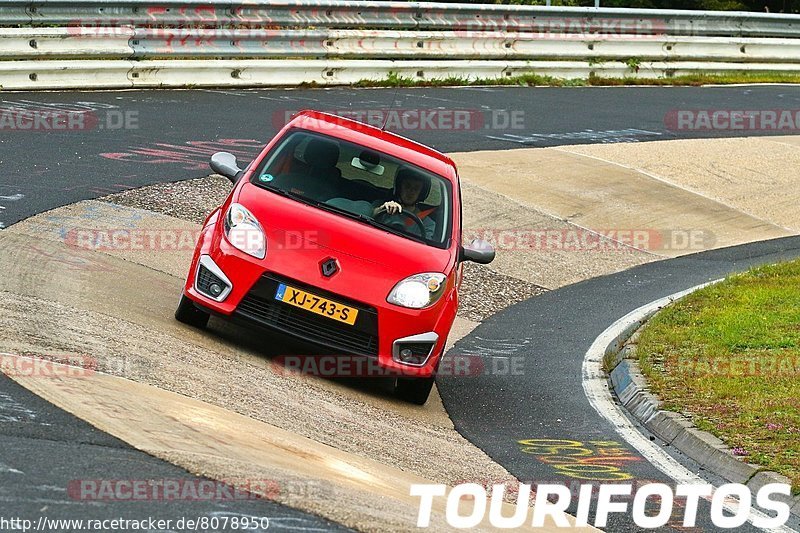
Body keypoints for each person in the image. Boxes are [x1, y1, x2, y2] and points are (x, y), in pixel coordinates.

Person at [373, 167, 436, 240]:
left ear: (421, 193)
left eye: (416, 188)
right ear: (400, 187)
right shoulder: (381, 205)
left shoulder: (427, 223)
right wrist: (381, 209)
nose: (411, 191)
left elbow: (425, 247)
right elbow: (366, 217)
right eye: (407, 186)